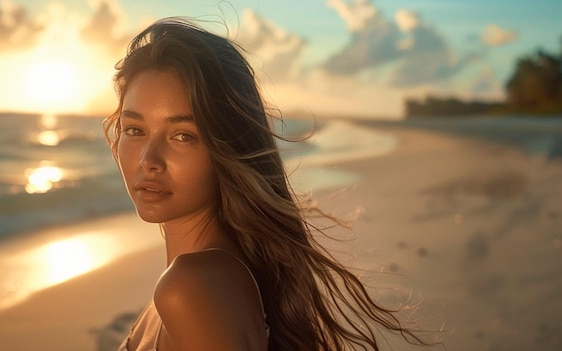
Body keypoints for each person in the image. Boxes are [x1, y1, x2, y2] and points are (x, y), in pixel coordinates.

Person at [104, 18, 429, 351]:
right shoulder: (209, 277)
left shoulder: (192, 287)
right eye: (134, 130)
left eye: (184, 135)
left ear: (227, 146)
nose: (148, 159)